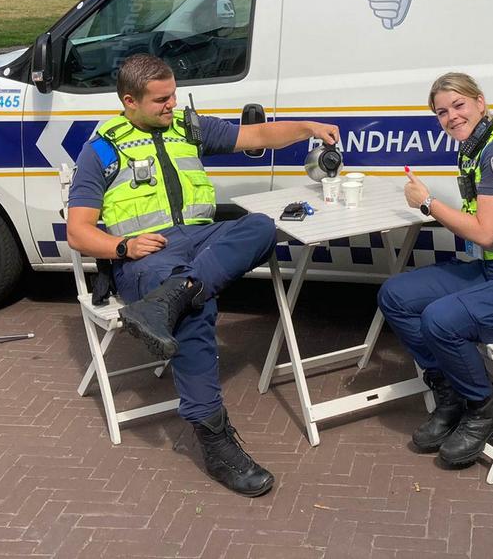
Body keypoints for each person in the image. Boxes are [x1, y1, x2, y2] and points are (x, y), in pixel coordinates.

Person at [66, 53, 338, 497]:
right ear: (129, 101)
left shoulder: (186, 128)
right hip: (143, 258)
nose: (173, 104)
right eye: (161, 100)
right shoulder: (100, 150)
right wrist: (123, 246)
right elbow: (78, 232)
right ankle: (214, 438)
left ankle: (176, 294)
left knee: (262, 226)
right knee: (197, 308)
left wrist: (308, 128)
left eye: (173, 94)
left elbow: (258, 134)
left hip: (197, 242)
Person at [377, 72, 493, 468]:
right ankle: (449, 395)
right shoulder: (475, 148)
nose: (451, 117)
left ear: (481, 102)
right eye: (442, 112)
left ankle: (484, 411)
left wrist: (427, 202)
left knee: (440, 319)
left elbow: (484, 232)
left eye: (458, 105)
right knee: (395, 294)